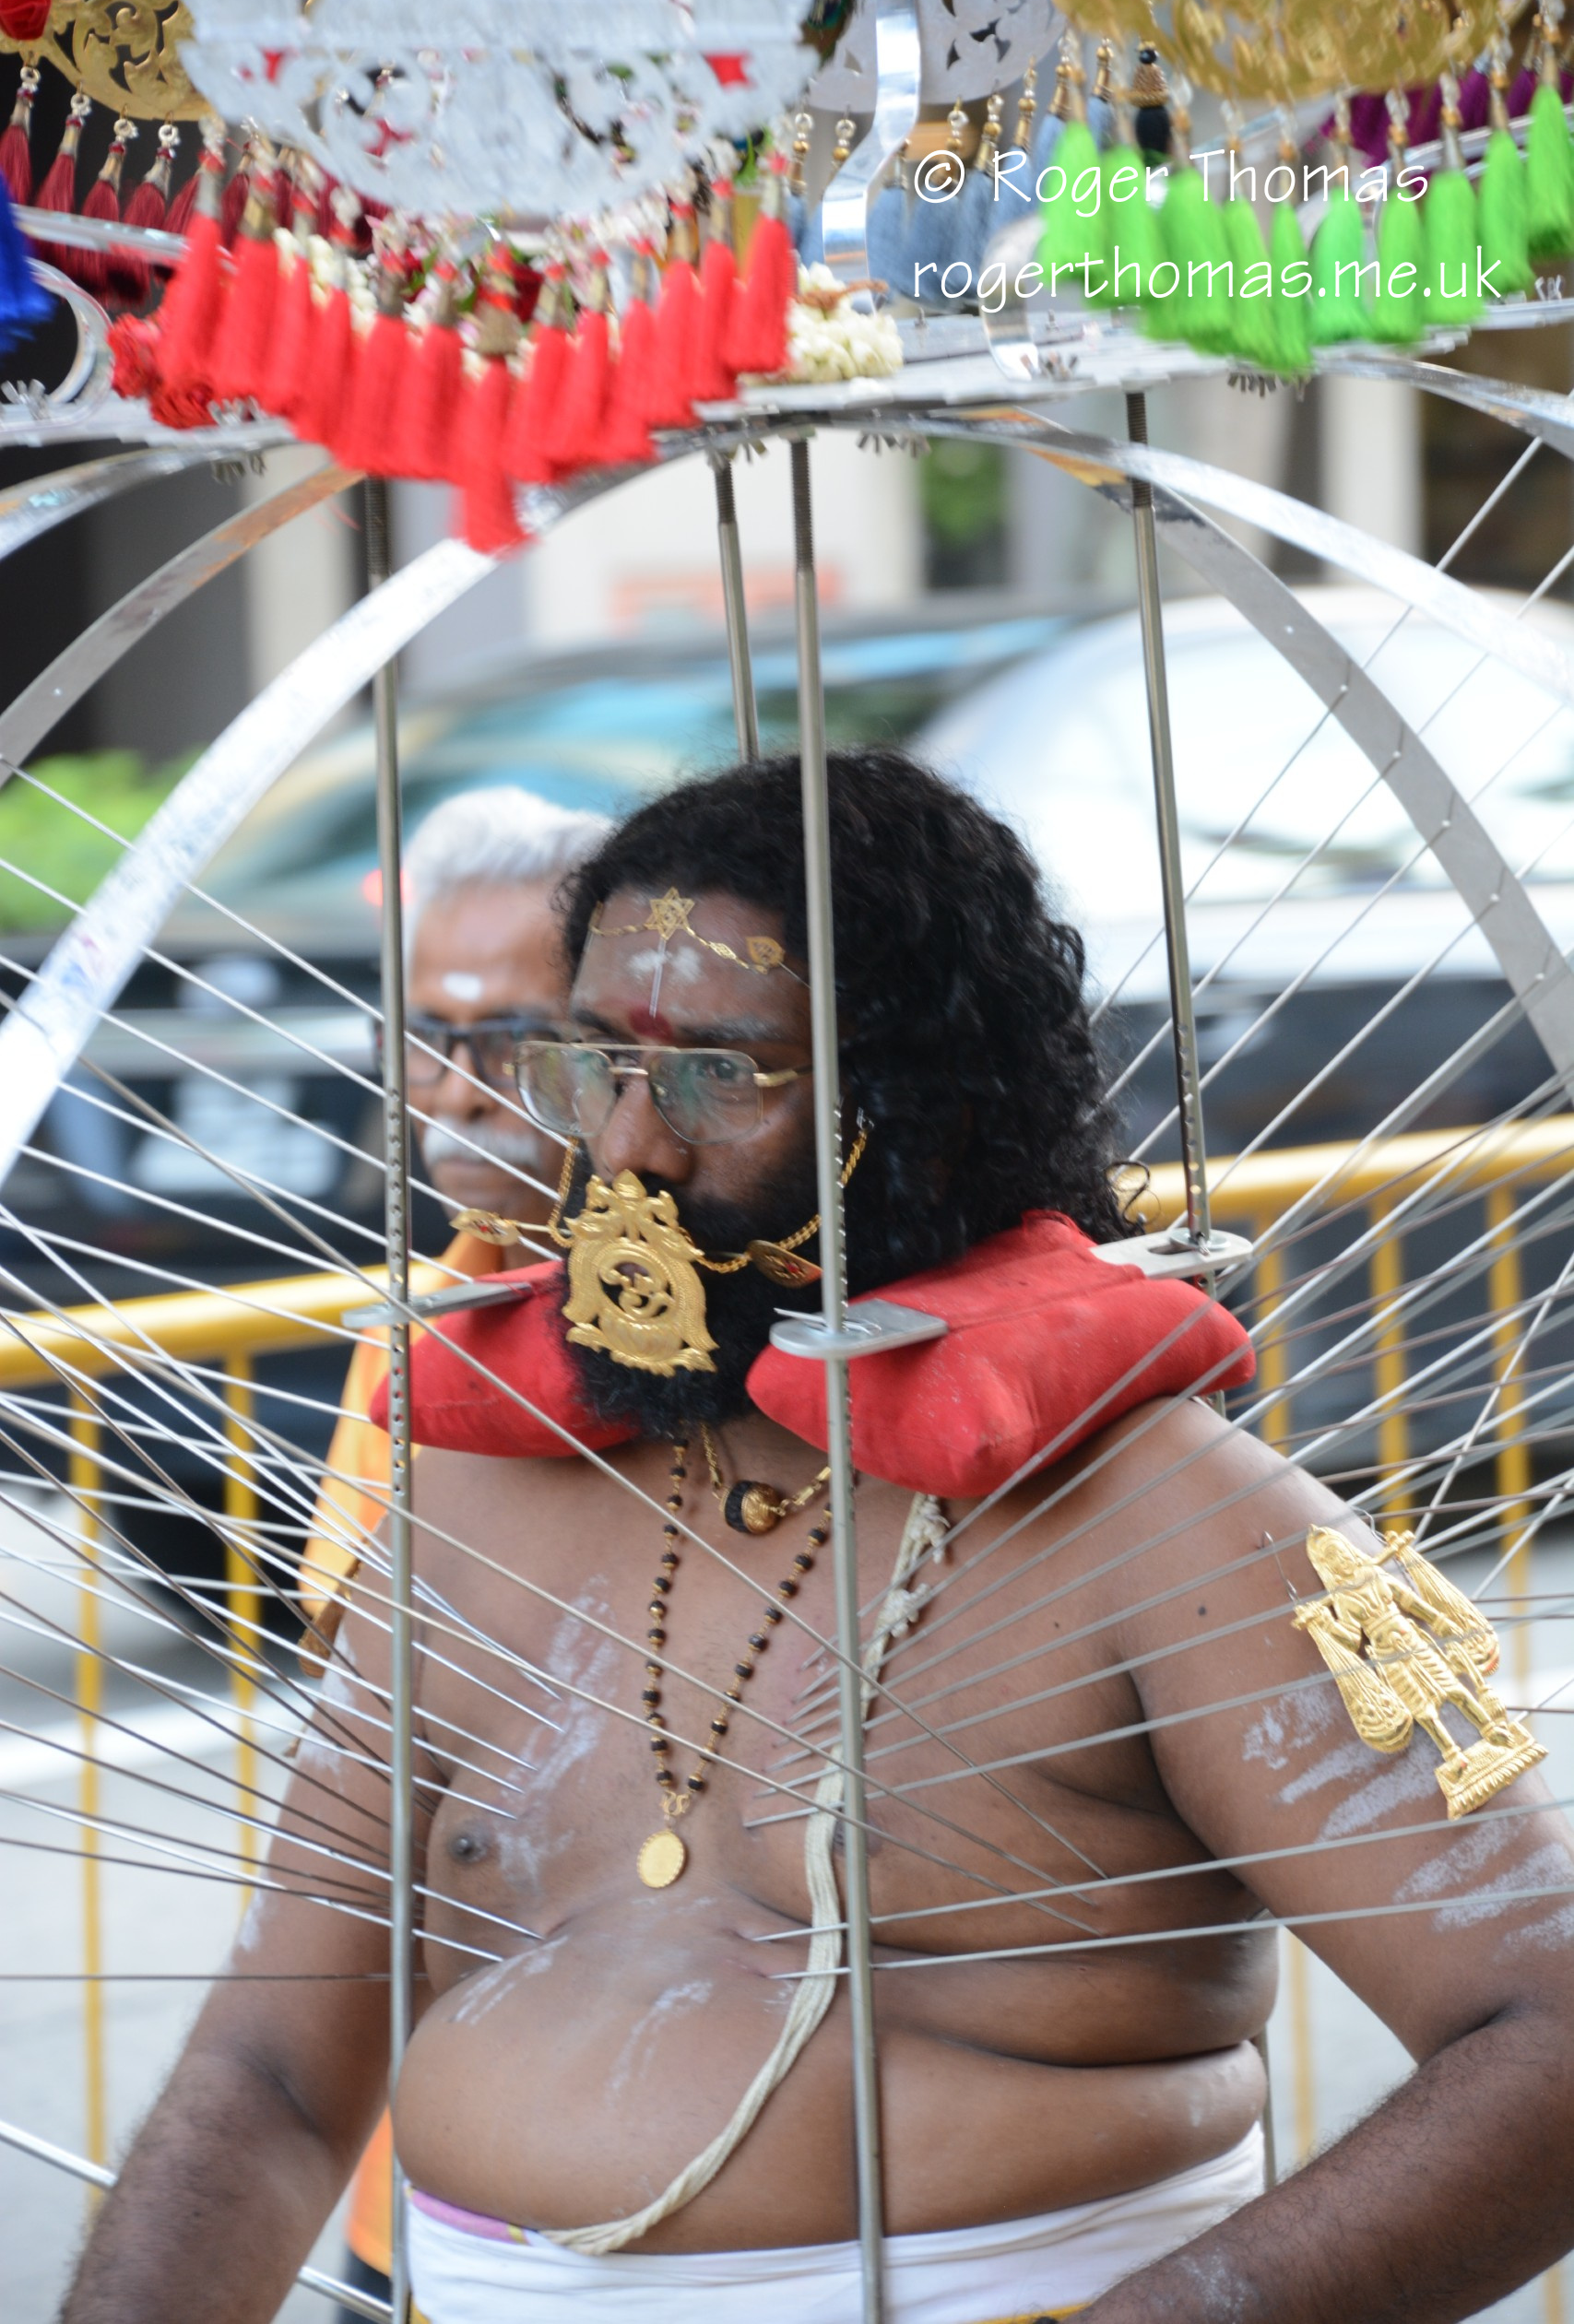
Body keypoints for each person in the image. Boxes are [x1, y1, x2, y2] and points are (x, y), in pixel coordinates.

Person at [62, 749, 1574, 2324]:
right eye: (592, 1064)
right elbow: (268, 2076)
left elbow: (1550, 2043)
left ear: (921, 1110)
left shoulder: (1162, 1522)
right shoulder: (472, 1499)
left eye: (722, 1075)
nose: (632, 1151)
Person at [299, 782, 608, 2316]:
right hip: (422, 2174)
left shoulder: (773, 1341)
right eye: (425, 1036)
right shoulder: (423, 1337)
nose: (450, 1091)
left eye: (509, 1045)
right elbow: (364, 1775)